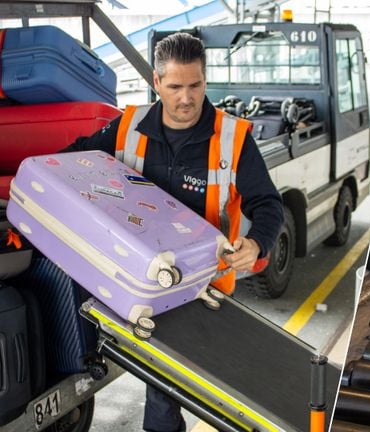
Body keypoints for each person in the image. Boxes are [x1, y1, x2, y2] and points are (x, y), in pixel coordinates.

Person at [63, 32, 284, 431]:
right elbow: (73, 160)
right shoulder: (127, 127)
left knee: (174, 389)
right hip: (136, 278)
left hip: (201, 287)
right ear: (156, 83)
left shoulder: (232, 138)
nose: (187, 98)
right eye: (176, 86)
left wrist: (257, 242)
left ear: (205, 79)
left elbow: (267, 203)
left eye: (196, 85)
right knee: (160, 383)